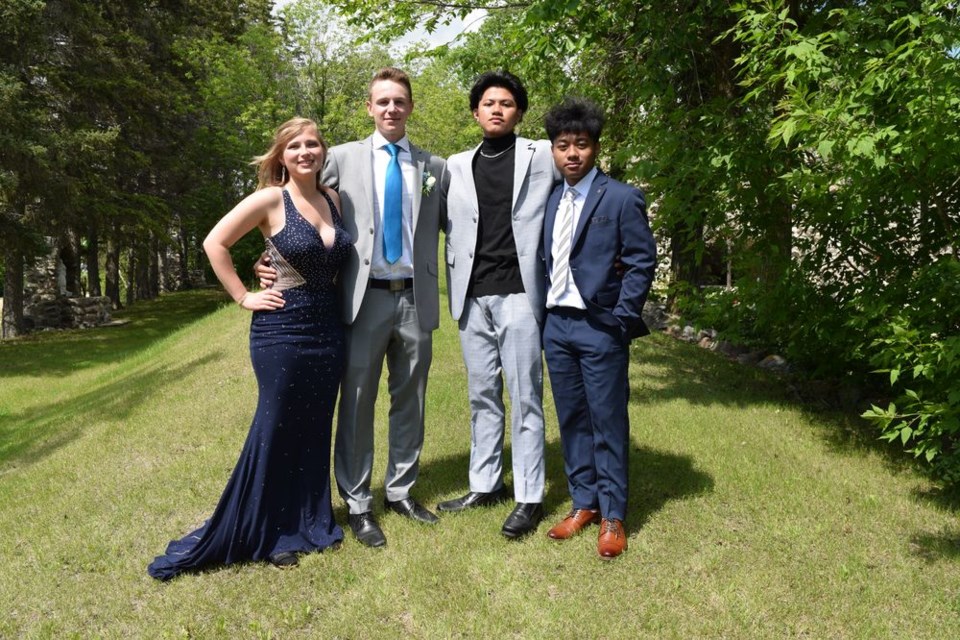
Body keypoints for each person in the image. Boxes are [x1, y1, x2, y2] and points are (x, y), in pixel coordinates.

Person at [148, 117, 350, 580]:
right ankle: (270, 533)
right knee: (276, 426)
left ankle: (311, 522)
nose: (305, 152)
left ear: (323, 152)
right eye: (295, 146)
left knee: (315, 427)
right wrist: (243, 294)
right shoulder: (268, 199)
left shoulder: (334, 200)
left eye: (313, 144)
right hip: (281, 330)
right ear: (281, 156)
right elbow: (214, 242)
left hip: (327, 329)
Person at [258, 68, 446, 548]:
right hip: (362, 301)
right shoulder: (338, 157)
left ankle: (401, 491)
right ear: (369, 107)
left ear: (410, 106)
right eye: (382, 101)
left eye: (399, 101)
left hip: (415, 299)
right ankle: (359, 503)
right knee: (358, 402)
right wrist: (268, 259)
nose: (391, 109)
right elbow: (294, 202)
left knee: (412, 400)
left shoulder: (434, 168)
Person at [436, 71, 557, 538]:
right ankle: (485, 484)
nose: (496, 109)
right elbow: (443, 223)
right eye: (488, 103)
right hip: (472, 295)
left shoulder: (542, 154)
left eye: (506, 103)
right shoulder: (455, 165)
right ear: (475, 112)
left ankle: (530, 495)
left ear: (519, 112)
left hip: (522, 293)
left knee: (526, 396)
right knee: (481, 394)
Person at [540, 98, 656, 560]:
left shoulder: (621, 197)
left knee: (607, 421)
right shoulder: (550, 199)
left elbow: (642, 261)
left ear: (595, 148)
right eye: (563, 145)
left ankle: (613, 515)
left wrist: (622, 319)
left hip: (599, 326)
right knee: (572, 419)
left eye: (581, 145)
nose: (572, 154)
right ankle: (583, 503)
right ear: (553, 150)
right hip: (557, 327)